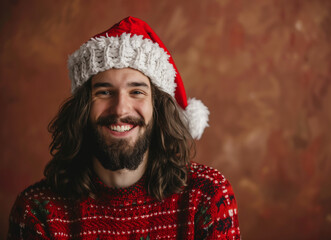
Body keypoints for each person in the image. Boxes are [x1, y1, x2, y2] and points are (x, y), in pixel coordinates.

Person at [7, 16, 241, 239]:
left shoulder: (207, 197)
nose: (120, 109)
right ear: (83, 107)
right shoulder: (38, 210)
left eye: (137, 91)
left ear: (157, 108)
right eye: (105, 92)